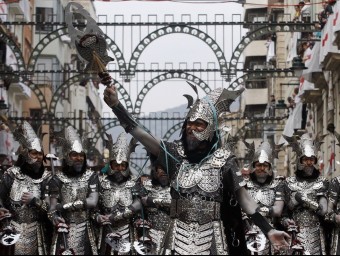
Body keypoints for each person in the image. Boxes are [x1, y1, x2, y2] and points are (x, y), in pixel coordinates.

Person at [101, 72, 290, 255]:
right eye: (189, 123)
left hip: (213, 240)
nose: (192, 127)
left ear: (210, 129)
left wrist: (269, 230)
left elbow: (245, 201)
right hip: (176, 237)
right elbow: (140, 133)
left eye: (199, 123)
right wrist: (117, 106)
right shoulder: (174, 154)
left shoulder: (224, 160)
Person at [0, 121, 51, 255]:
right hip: (12, 230)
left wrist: (36, 201)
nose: (39, 157)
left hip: (37, 233)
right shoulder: (11, 174)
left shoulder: (47, 178)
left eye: (40, 154)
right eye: (34, 153)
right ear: (25, 154)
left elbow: (53, 209)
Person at [48, 125, 99, 255]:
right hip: (64, 229)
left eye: (81, 155)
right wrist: (54, 217)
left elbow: (93, 201)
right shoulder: (56, 179)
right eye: (74, 155)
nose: (79, 158)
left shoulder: (91, 177)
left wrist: (64, 206)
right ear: (66, 156)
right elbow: (52, 207)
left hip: (86, 230)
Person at [95, 132, 142, 255]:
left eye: (122, 165)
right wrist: (97, 217)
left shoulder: (134, 182)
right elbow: (94, 207)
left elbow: (139, 205)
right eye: (116, 165)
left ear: (127, 165)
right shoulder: (100, 181)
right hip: (105, 231)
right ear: (111, 164)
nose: (119, 168)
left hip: (128, 230)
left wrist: (136, 219)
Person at [283, 133, 328, 255]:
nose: (309, 162)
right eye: (306, 159)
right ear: (300, 160)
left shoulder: (322, 182)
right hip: (294, 232)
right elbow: (284, 212)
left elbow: (323, 210)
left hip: (315, 231)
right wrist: (287, 219)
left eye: (311, 159)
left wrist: (304, 200)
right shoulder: (289, 182)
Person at [242, 141, 287, 255]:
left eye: (265, 165)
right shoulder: (244, 185)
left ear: (270, 167)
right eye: (258, 165)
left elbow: (277, 211)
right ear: (253, 166)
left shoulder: (278, 184)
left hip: (271, 231)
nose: (261, 168)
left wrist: (255, 210)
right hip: (247, 231)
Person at [140, 157, 172, 255]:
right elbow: (139, 206)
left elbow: (177, 204)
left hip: (172, 234)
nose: (162, 173)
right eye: (160, 171)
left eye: (165, 171)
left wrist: (153, 201)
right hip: (151, 234)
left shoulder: (176, 187)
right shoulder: (147, 186)